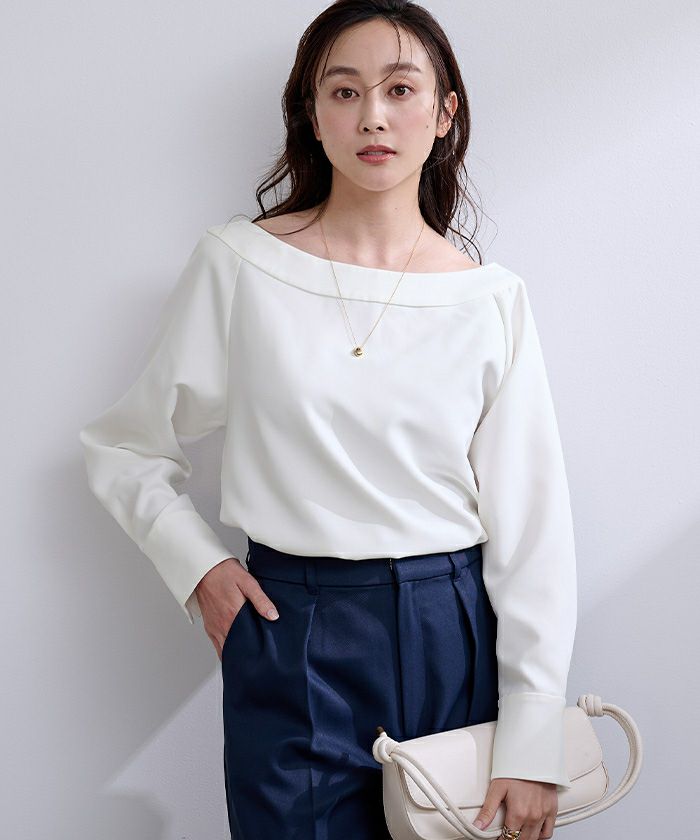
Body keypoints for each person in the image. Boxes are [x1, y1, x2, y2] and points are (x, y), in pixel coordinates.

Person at [78, 1, 577, 838]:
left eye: (400, 89)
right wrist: (200, 569)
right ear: (312, 115)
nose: (372, 116)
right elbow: (125, 445)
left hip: (451, 629)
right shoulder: (241, 265)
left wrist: (532, 735)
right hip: (291, 628)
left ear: (445, 112)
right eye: (344, 91)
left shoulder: (488, 299)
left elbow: (532, 528)